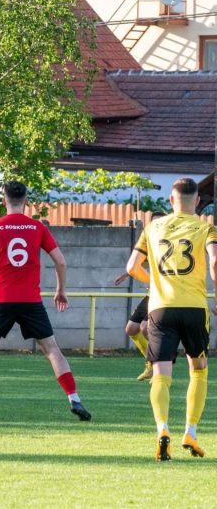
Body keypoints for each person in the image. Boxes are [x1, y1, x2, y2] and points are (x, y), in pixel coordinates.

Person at [0, 181, 91, 422]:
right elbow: (61, 262)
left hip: (0, 298)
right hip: (30, 300)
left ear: (3, 200)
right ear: (27, 201)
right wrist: (61, 290)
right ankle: (75, 399)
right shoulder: (37, 227)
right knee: (51, 349)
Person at [125, 178, 217, 461]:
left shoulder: (152, 227)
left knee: (161, 375)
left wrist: (155, 285)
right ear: (198, 203)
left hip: (160, 307)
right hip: (193, 307)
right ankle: (190, 431)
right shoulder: (207, 227)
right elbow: (214, 262)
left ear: (170, 200)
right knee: (198, 369)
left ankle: (162, 429)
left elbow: (131, 267)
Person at [113, 211, 166, 382]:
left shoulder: (169, 243)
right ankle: (151, 363)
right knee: (131, 329)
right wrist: (126, 274)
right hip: (152, 293)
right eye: (153, 223)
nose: (156, 226)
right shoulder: (150, 242)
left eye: (159, 222)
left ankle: (159, 363)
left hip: (165, 294)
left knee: (145, 328)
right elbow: (141, 262)